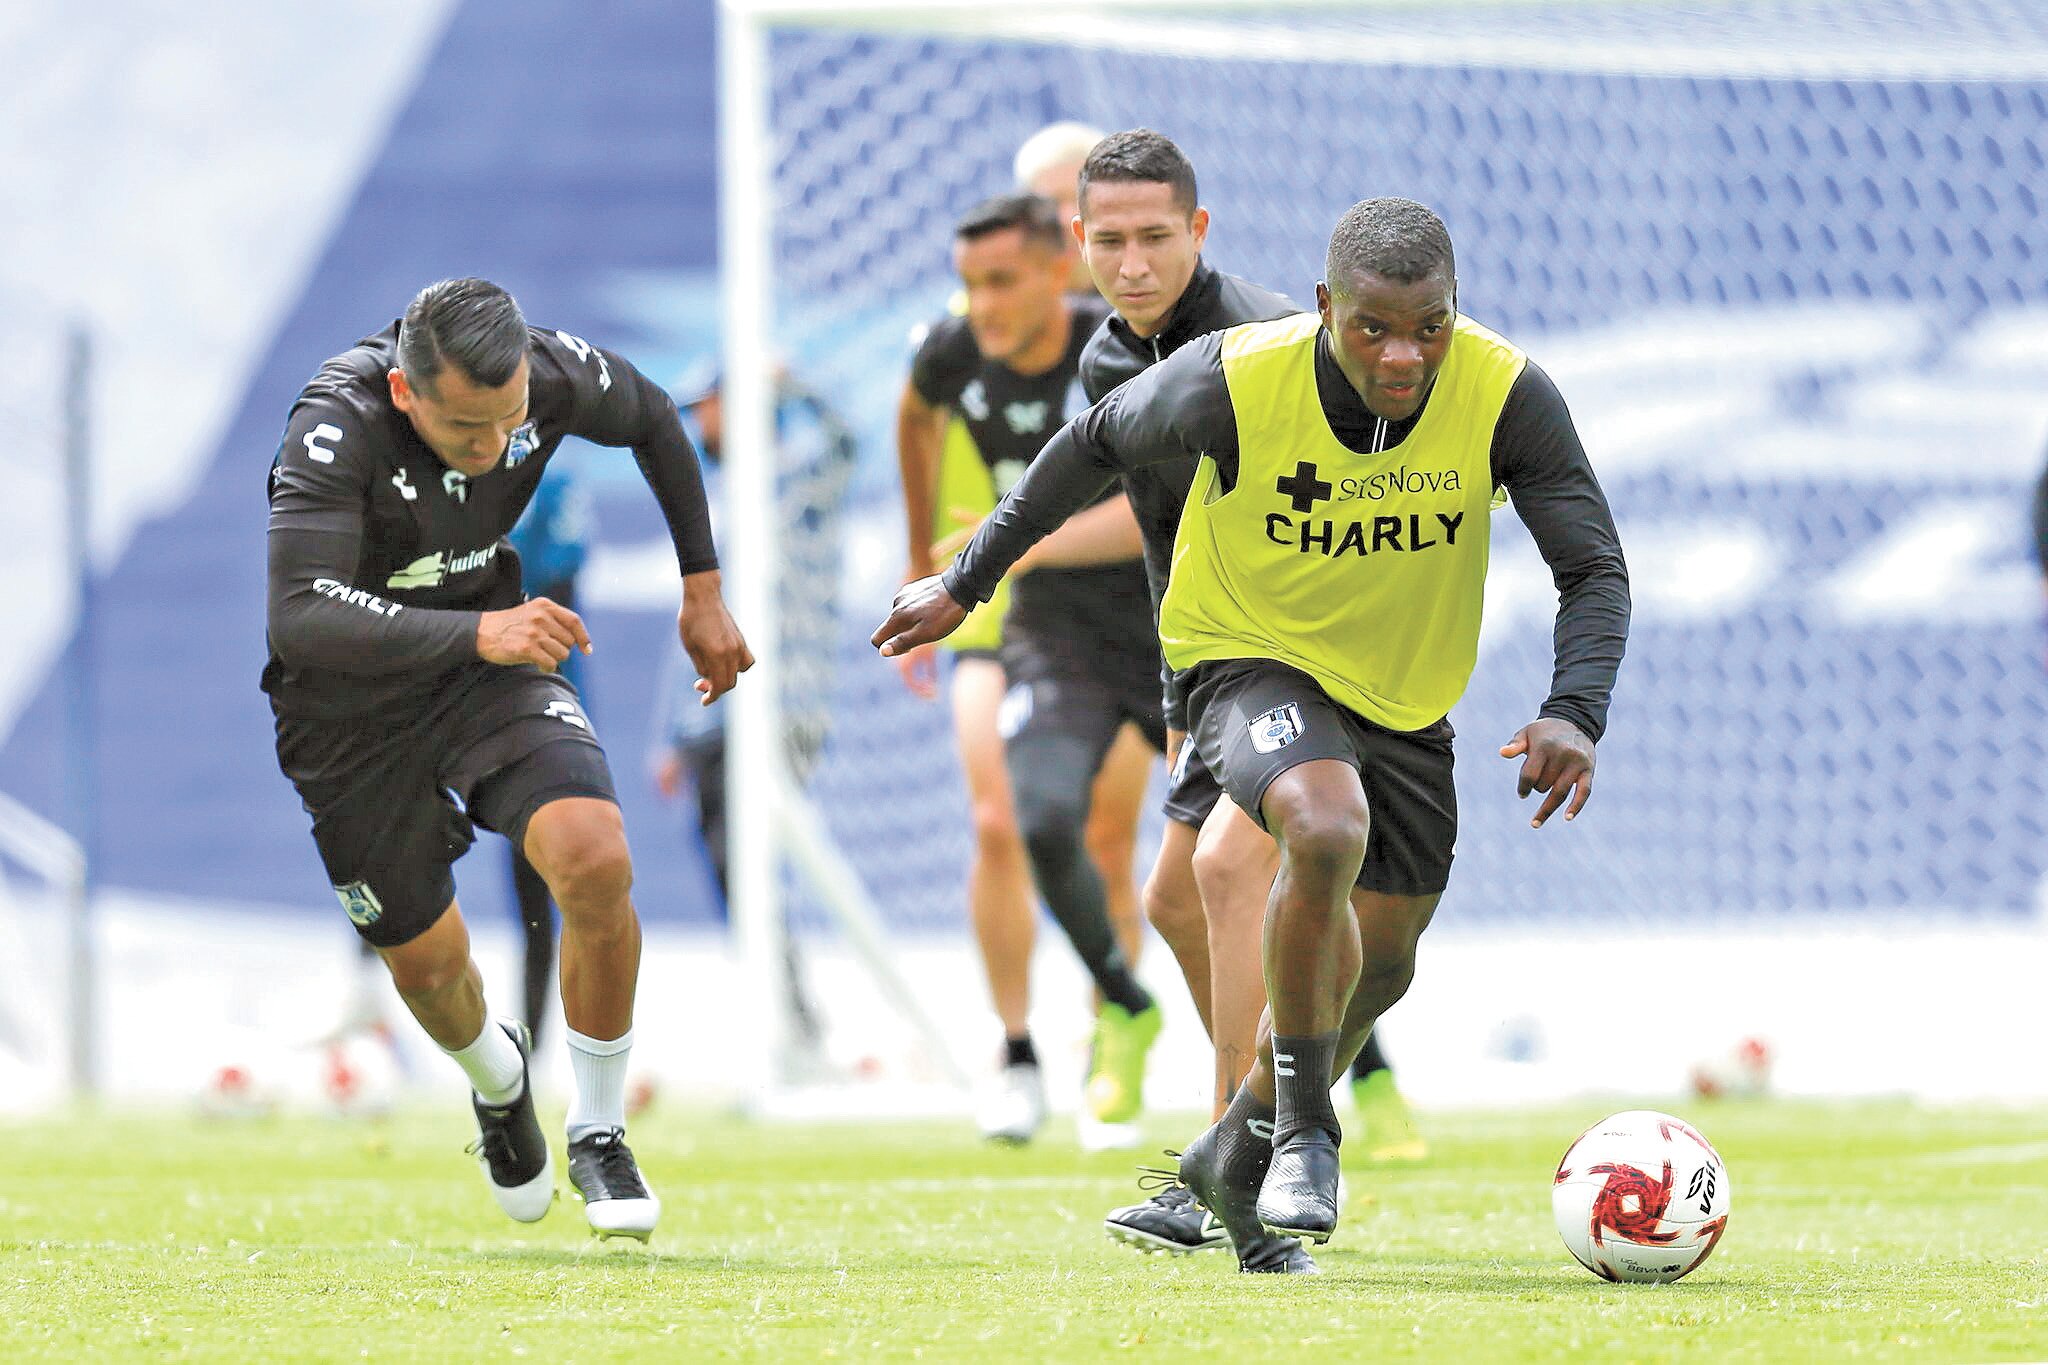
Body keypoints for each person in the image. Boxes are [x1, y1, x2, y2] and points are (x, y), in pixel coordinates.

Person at [875, 196, 1631, 1273]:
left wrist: (1572, 709)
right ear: (1325, 308)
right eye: (1373, 327)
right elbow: (1088, 441)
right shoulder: (1234, 376)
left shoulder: (1505, 392)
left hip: (1402, 698)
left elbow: (1591, 566)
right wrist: (965, 579)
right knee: (1319, 827)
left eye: (1428, 326)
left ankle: (1230, 1149)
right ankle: (1305, 1133)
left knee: (1382, 964)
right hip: (1242, 653)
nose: (1404, 354)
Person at [265, 278, 751, 1241]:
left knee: (595, 855)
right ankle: (499, 1078)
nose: (493, 451)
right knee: (430, 969)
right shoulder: (337, 424)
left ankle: (601, 1129)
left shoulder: (548, 369)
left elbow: (655, 416)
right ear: (408, 395)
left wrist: (703, 589)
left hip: (490, 665)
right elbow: (301, 613)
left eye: (511, 423)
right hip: (348, 708)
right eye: (465, 432)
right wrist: (478, 631)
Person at [1057, 130, 1428, 1259]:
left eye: (1154, 237)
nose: (1131, 262)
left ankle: (1239, 1179)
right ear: (1080, 241)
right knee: (1175, 899)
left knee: (1223, 874)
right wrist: (1186, 693)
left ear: (1198, 232)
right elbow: (1176, 542)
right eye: (1108, 240)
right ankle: (1255, 1131)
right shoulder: (1109, 363)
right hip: (1220, 668)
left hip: (1310, 666)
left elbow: (1333, 525)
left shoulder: (1260, 346)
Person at [895, 193, 1164, 1142]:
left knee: (1113, 841)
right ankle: (1014, 1053)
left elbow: (1150, 507)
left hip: (1157, 621)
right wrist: (917, 554)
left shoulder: (1124, 353)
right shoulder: (952, 351)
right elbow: (916, 415)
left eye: (1001, 281)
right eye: (970, 284)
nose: (983, 305)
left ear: (1062, 268)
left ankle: (1117, 1047)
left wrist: (1017, 547)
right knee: (1001, 819)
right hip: (1022, 616)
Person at [654, 364, 861, 1057]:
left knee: (751, 864)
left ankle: (796, 1026)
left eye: (705, 408)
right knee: (730, 869)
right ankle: (788, 1020)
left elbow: (844, 445)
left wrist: (795, 383)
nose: (697, 425)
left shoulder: (799, 482)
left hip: (780, 708)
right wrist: (670, 731)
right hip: (712, 719)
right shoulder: (715, 501)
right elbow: (685, 626)